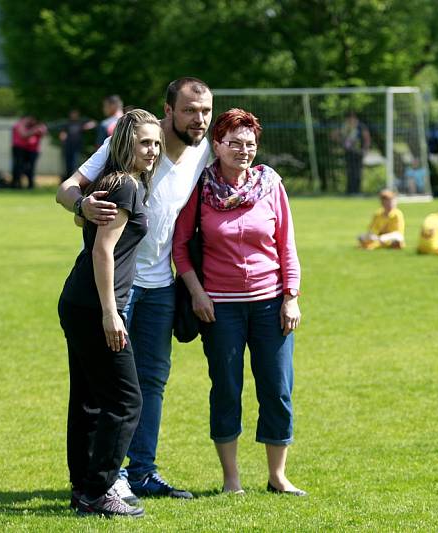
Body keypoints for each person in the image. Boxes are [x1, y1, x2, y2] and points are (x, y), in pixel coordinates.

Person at [56, 78, 213, 502]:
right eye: (189, 111)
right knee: (104, 391)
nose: (199, 120)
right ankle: (103, 480)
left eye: (205, 111)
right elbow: (68, 187)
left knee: (151, 382)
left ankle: (139, 472)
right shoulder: (131, 140)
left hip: (161, 284)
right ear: (168, 111)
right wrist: (80, 205)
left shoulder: (205, 150)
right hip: (117, 287)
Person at [172, 108, 305, 496]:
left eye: (249, 144)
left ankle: (278, 477)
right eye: (234, 143)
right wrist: (198, 293)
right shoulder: (201, 189)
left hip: (270, 305)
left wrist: (291, 297)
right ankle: (232, 481)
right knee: (227, 389)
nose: (243, 150)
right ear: (217, 145)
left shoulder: (270, 185)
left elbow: (287, 246)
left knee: (277, 388)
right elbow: (180, 249)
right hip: (220, 308)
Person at [58, 109, 162, 517]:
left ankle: (83, 488)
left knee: (88, 400)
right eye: (144, 143)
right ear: (125, 145)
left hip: (80, 300)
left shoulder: (119, 182)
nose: (152, 150)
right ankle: (99, 491)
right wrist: (110, 312)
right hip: (95, 305)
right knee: (126, 401)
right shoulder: (125, 185)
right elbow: (102, 251)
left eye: (156, 143)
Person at [59, 109, 96, 183]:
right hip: (68, 147)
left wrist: (86, 126)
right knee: (67, 165)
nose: (73, 115)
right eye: (72, 113)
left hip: (77, 147)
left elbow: (94, 123)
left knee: (74, 164)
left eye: (75, 113)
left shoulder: (81, 122)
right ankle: (67, 180)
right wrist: (62, 136)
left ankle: (73, 180)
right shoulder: (67, 123)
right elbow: (62, 133)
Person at [11, 115, 47, 189]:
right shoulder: (20, 125)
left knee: (28, 168)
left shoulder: (31, 126)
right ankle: (16, 184)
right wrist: (35, 130)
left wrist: (41, 128)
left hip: (28, 150)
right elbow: (24, 135)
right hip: (19, 149)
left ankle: (28, 184)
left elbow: (43, 133)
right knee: (18, 167)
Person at [341, 111, 371, 195]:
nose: (349, 120)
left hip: (358, 152)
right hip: (349, 152)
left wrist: (366, 149)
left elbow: (367, 138)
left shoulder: (361, 126)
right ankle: (349, 191)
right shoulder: (345, 127)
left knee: (357, 172)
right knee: (349, 172)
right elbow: (341, 137)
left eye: (350, 118)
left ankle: (357, 191)